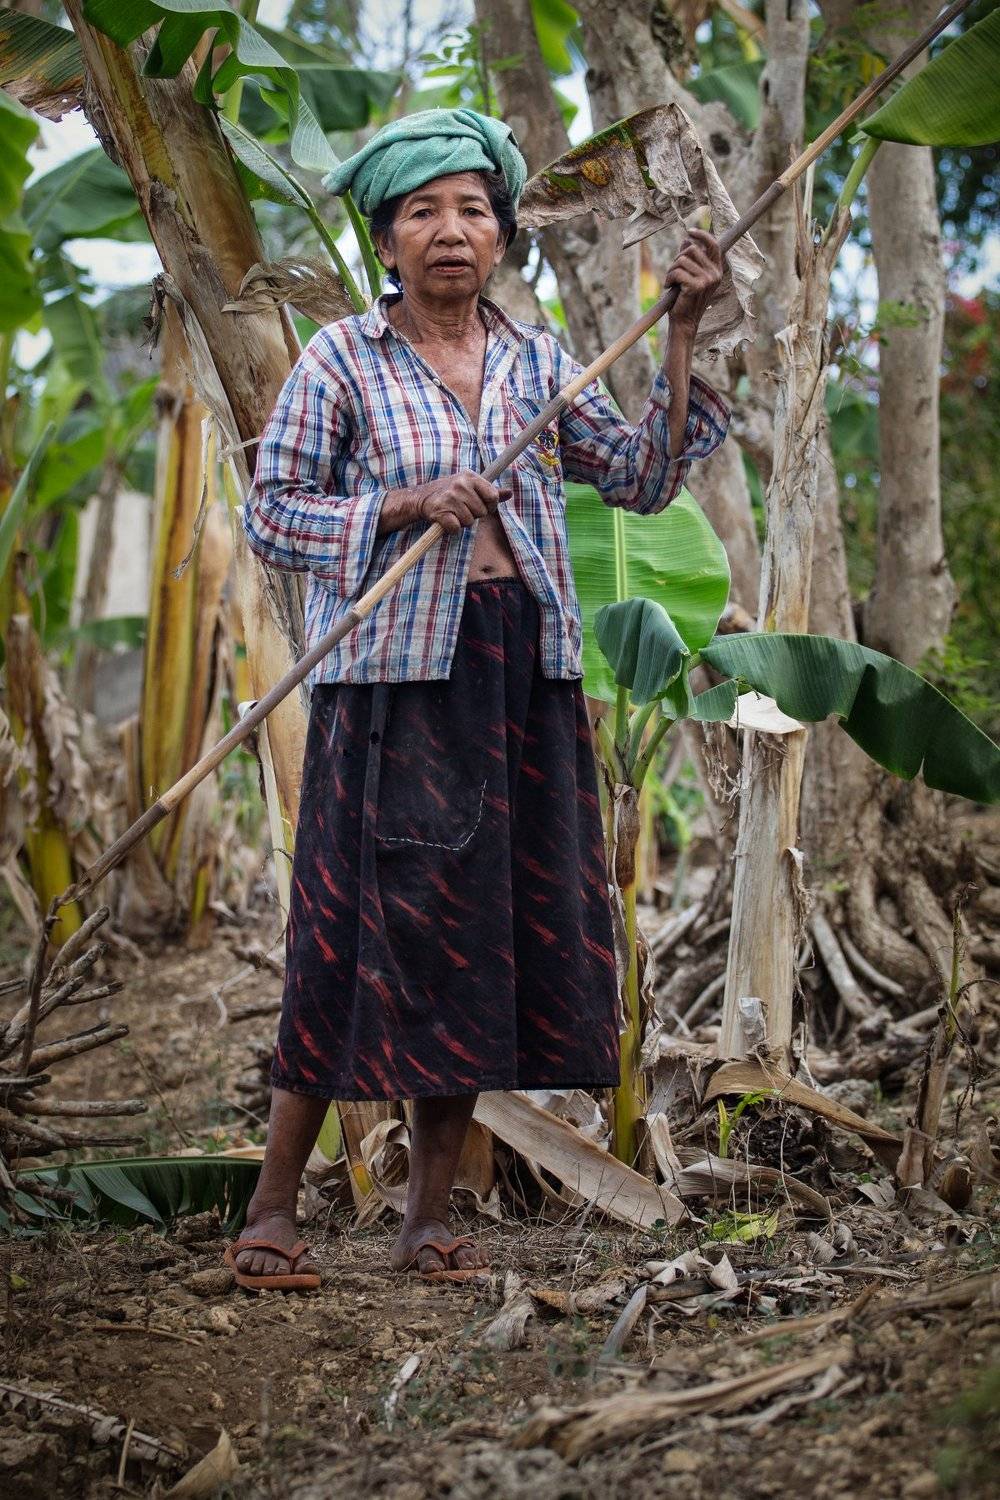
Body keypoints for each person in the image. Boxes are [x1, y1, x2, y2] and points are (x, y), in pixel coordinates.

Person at [231, 107, 728, 1288]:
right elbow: (274, 515)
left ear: (501, 234)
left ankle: (427, 1222)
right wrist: (404, 506)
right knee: (350, 934)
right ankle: (271, 1213)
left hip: (519, 675)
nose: (450, 231)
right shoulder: (342, 359)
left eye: (471, 210)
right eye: (422, 212)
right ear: (386, 241)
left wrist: (682, 330)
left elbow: (642, 479)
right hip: (394, 682)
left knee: (474, 936)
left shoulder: (540, 361)